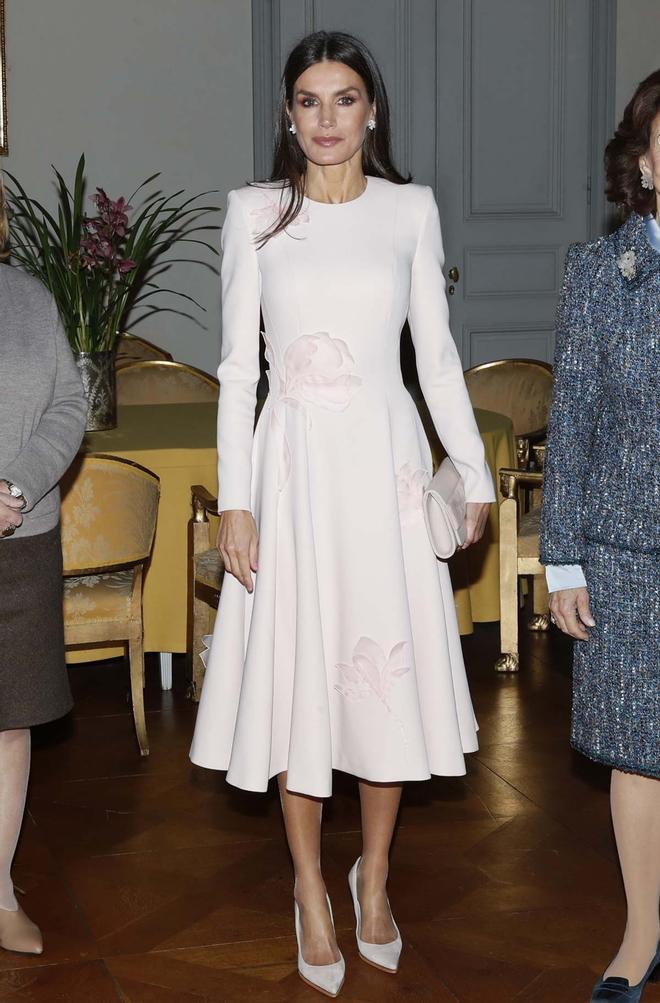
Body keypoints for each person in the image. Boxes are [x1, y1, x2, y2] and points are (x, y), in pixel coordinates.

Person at [190, 31, 494, 996]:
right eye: (309, 101)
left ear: (373, 111)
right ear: (288, 113)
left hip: (386, 468)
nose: (327, 119)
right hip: (292, 476)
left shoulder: (411, 210)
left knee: (380, 676)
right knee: (300, 680)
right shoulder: (253, 215)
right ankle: (311, 889)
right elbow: (238, 371)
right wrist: (234, 501)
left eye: (345, 99)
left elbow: (436, 358)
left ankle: (377, 879)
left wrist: (474, 473)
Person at [541, 70, 660, 1003]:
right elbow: (571, 420)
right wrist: (565, 554)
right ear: (646, 162)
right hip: (627, 553)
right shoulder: (599, 272)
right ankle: (642, 932)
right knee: (636, 751)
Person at [0, 171, 87, 955]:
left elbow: (70, 402)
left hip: (18, 541)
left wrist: (14, 486)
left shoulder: (28, 297)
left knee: (9, 723)